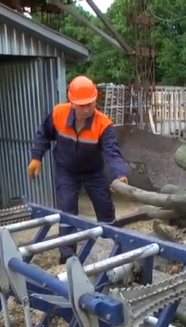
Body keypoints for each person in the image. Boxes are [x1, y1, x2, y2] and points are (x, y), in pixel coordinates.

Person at [28, 76, 129, 264]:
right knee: (67, 210)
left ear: (95, 99)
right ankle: (67, 254)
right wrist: (36, 157)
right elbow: (43, 134)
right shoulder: (58, 114)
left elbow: (112, 152)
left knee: (105, 207)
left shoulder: (103, 124)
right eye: (82, 105)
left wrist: (120, 174)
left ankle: (111, 246)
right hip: (66, 170)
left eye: (90, 104)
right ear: (72, 102)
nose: (87, 109)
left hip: (93, 172)